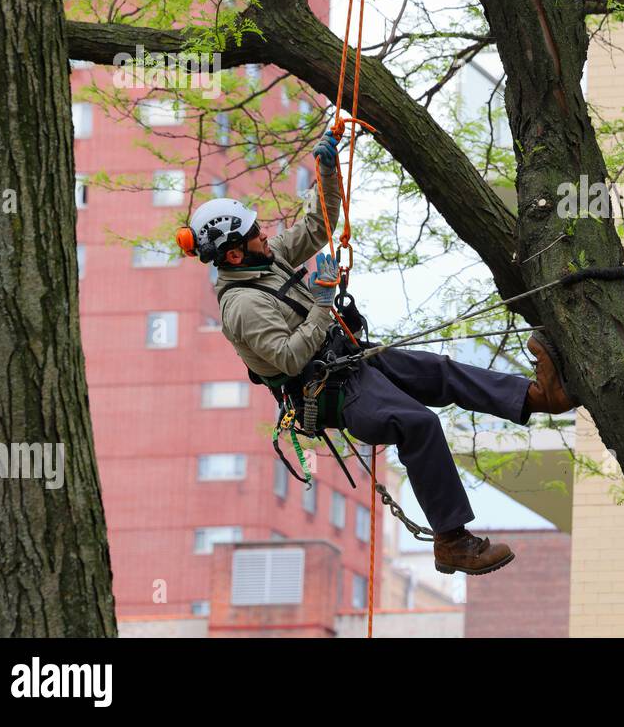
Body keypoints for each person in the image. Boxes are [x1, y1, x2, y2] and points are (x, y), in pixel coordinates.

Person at [176, 130, 576, 575]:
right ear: (232, 255)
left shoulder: (265, 260)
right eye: (254, 234)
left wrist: (327, 174)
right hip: (331, 392)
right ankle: (452, 541)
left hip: (349, 359)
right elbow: (290, 358)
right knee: (417, 423)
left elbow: (317, 224)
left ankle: (540, 397)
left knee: (438, 372)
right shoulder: (243, 306)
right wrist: (323, 305)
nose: (265, 234)